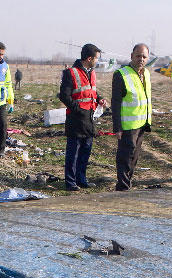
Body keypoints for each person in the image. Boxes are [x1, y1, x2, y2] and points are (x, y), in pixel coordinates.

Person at [58, 43, 105, 191]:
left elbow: (91, 92)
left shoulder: (91, 73)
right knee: (74, 153)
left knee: (86, 151)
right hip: (76, 119)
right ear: (89, 58)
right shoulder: (70, 73)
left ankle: (81, 179)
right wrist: (78, 109)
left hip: (89, 119)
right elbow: (64, 96)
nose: (97, 61)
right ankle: (70, 182)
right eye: (96, 58)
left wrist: (100, 99)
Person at [112, 43, 152, 191]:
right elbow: (115, 103)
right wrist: (117, 127)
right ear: (131, 56)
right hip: (127, 125)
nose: (141, 59)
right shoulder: (121, 74)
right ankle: (122, 187)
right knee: (125, 157)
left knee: (134, 158)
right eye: (138, 56)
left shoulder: (146, 74)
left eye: (144, 56)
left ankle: (128, 183)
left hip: (141, 123)